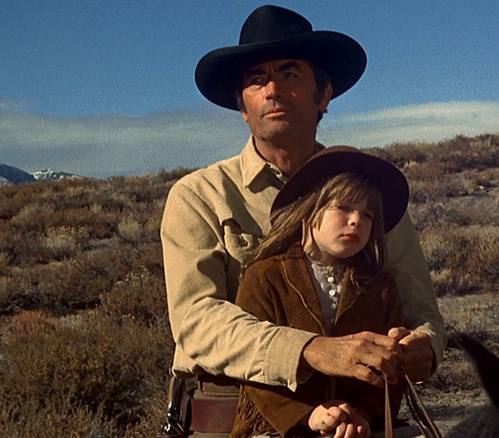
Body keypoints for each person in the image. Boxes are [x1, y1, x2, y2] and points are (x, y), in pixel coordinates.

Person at [160, 5, 445, 436]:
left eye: (290, 74)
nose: (272, 89)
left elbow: (422, 312)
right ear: (243, 107)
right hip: (233, 419)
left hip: (356, 421)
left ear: (323, 94)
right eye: (257, 79)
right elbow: (197, 323)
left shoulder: (370, 196)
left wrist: (423, 348)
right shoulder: (200, 196)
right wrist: (311, 350)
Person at [230, 146, 420, 438]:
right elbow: (251, 363)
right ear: (308, 210)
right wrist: (308, 414)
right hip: (278, 429)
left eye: (367, 215)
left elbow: (388, 370)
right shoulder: (265, 276)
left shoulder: (381, 287)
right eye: (343, 207)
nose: (356, 220)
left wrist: (363, 414)